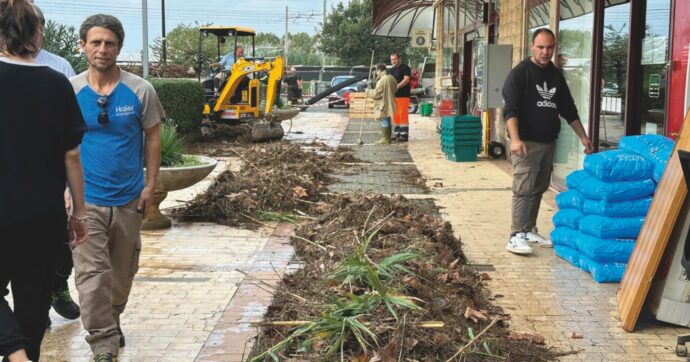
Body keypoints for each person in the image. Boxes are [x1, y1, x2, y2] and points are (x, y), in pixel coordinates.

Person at [70, 14, 164, 362]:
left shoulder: (141, 90)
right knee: (91, 275)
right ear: (83, 46)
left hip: (128, 198)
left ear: (119, 48)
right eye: (95, 42)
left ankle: (112, 317)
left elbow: (153, 138)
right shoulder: (71, 90)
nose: (102, 49)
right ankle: (103, 343)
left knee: (122, 274)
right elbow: (59, 145)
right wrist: (65, 191)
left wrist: (149, 186)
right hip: (85, 201)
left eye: (109, 43)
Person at [0, 1, 88, 361]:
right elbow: (72, 156)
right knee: (33, 306)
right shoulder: (57, 83)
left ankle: (15, 354)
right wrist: (78, 213)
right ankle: (24, 354)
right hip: (43, 214)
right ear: (36, 33)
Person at [502, 28, 592, 255]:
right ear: (532, 46)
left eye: (549, 47)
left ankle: (529, 228)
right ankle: (515, 235)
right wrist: (515, 139)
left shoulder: (554, 74)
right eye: (541, 47)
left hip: (547, 141)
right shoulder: (520, 74)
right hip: (525, 142)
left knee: (538, 187)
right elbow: (510, 110)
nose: (545, 52)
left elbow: (568, 109)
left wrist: (583, 136)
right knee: (523, 188)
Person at [33, 4, 81, 327]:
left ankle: (57, 286)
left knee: (61, 239)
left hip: (50, 170)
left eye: (37, 27)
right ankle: (32, 307)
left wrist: (70, 186)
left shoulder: (58, 66)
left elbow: (71, 126)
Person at [366, 63, 397, 144]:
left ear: (379, 70)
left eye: (376, 70)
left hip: (382, 104)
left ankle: (385, 139)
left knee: (384, 119)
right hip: (389, 102)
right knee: (387, 119)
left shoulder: (382, 80)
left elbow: (376, 94)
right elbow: (395, 88)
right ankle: (388, 138)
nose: (376, 72)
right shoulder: (391, 77)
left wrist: (368, 91)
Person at [388, 52, 411, 141]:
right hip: (394, 96)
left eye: (395, 59)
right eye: (392, 59)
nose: (393, 61)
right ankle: (397, 133)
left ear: (399, 59)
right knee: (395, 115)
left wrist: (397, 86)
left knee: (402, 114)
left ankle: (404, 135)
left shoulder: (405, 68)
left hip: (403, 95)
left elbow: (406, 79)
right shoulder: (391, 70)